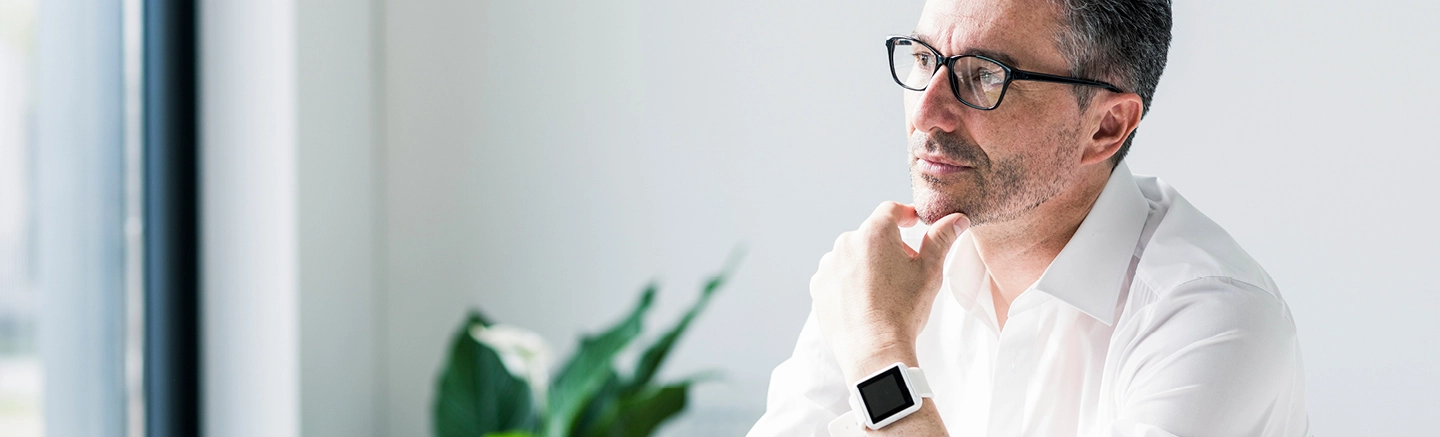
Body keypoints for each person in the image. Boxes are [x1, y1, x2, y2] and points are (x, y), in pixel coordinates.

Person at [747, 0, 1309, 435]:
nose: (926, 111)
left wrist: (880, 358)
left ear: (1106, 127)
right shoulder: (884, 277)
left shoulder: (1214, 321)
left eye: (985, 75)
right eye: (923, 59)